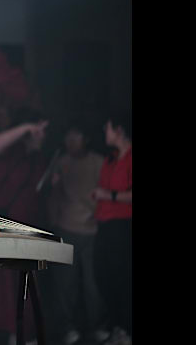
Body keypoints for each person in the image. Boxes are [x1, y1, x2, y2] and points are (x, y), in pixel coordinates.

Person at [0, 107, 49, 345]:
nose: (43, 135)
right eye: (39, 129)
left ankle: (19, 335)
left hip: (27, 231)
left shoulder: (38, 159)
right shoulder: (8, 153)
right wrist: (27, 128)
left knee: (21, 284)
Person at [47, 119, 108, 345]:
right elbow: (52, 196)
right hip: (66, 229)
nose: (71, 141)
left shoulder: (99, 162)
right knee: (65, 285)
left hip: (93, 232)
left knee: (94, 285)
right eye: (68, 136)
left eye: (76, 136)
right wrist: (54, 223)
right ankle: (67, 328)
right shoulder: (61, 162)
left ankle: (98, 326)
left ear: (87, 139)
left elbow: (106, 194)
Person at [92, 111, 132, 345]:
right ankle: (118, 326)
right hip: (104, 225)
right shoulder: (111, 158)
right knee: (103, 275)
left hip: (123, 226)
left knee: (122, 278)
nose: (104, 132)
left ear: (119, 130)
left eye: (107, 127)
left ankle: (125, 329)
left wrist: (110, 195)